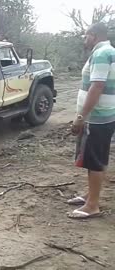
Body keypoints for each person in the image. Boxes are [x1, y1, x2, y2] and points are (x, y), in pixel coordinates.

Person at [68, 23, 115, 219]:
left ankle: (92, 205)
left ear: (94, 36)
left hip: (97, 117)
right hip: (104, 115)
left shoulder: (101, 54)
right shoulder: (108, 51)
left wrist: (81, 117)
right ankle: (90, 195)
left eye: (85, 36)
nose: (83, 39)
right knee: (96, 157)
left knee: (94, 158)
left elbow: (97, 86)